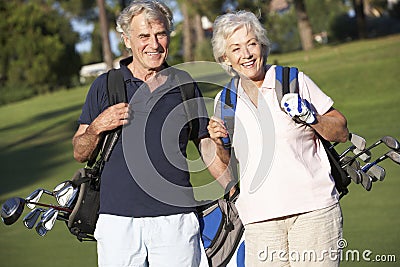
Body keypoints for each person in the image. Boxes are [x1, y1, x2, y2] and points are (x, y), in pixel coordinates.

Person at [72, 1, 231, 266]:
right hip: (117, 223)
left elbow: (205, 147)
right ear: (126, 40)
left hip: (176, 220)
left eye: (161, 34)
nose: (154, 44)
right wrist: (98, 126)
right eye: (144, 36)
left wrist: (232, 188)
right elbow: (79, 152)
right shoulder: (106, 85)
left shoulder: (184, 84)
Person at [207, 11, 349, 267]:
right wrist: (219, 144)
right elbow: (228, 165)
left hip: (313, 213)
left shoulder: (292, 81)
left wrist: (311, 117)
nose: (247, 54)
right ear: (225, 58)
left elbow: (341, 130)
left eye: (251, 43)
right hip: (260, 222)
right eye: (236, 49)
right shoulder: (225, 101)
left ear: (262, 45)